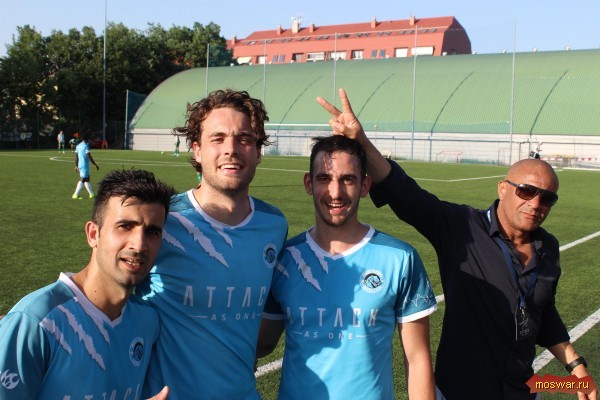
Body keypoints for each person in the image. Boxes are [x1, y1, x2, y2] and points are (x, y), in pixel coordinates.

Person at [317, 89, 597, 400]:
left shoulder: (548, 248)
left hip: (522, 392)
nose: (535, 203)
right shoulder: (462, 227)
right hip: (458, 393)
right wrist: (361, 142)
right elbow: (405, 194)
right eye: (526, 191)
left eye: (547, 198)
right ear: (503, 188)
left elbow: (540, 311)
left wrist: (575, 366)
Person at [257, 135, 437, 399]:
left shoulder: (400, 258)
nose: (335, 192)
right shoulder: (285, 259)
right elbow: (263, 343)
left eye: (348, 179)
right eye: (324, 178)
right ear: (308, 183)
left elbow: (417, 358)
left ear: (365, 186)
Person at [136, 89, 288, 399]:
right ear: (197, 150)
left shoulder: (274, 224)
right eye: (217, 139)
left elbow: (263, 330)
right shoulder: (162, 220)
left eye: (244, 139)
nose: (231, 150)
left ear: (258, 152)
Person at [0, 169, 176, 399]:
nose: (139, 244)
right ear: (93, 234)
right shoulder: (37, 321)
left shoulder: (147, 321)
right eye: (125, 226)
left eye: (152, 232)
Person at [72, 134, 100, 199]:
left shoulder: (78, 146)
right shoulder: (86, 146)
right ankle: (75, 194)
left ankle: (91, 194)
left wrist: (76, 165)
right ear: (87, 139)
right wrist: (95, 164)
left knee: (87, 179)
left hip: (80, 164)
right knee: (83, 179)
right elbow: (89, 156)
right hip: (84, 165)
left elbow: (76, 157)